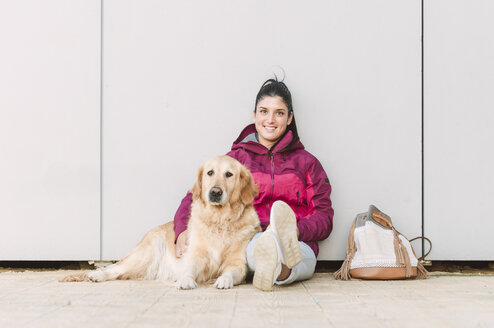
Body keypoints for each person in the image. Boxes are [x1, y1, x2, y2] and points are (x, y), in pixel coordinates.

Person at [173, 78, 334, 291]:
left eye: (279, 113)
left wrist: (297, 230)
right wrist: (181, 230)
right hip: (255, 237)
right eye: (264, 111)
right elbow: (197, 193)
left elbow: (324, 216)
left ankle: (279, 266)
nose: (271, 119)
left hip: (297, 241)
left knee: (304, 258)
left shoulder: (307, 163)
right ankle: (278, 267)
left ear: (289, 118)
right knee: (255, 250)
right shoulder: (235, 160)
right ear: (254, 115)